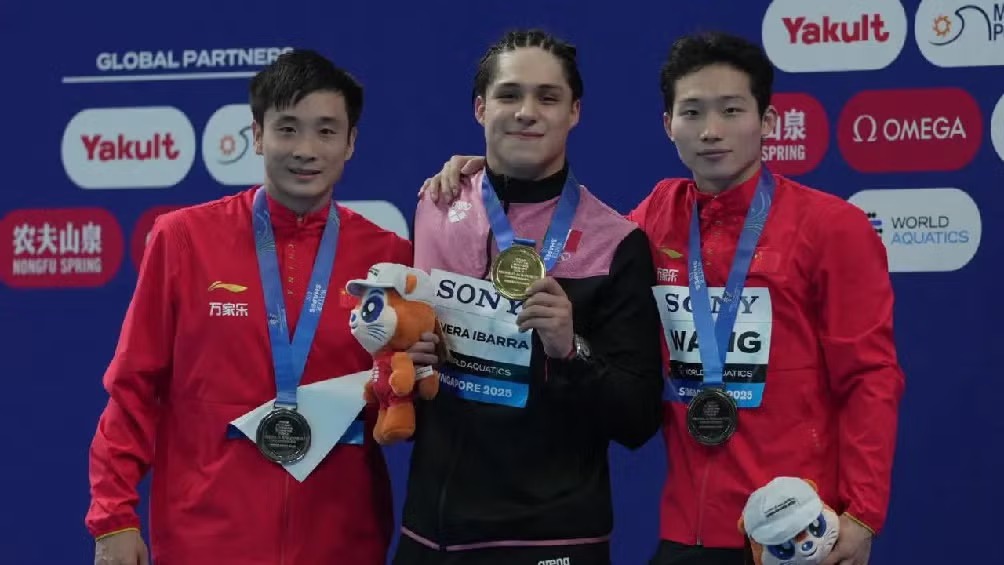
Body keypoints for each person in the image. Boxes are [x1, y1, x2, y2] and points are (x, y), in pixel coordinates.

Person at [418, 31, 905, 565]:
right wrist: (488, 176)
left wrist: (862, 514)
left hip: (797, 527)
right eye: (692, 112)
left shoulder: (833, 227)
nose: (711, 130)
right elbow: (569, 226)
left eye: (731, 110)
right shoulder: (654, 219)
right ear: (668, 124)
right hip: (687, 530)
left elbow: (870, 376)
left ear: (767, 121)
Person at [86, 49, 412, 565]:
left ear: (350, 142)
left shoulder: (389, 258)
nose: (305, 150)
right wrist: (113, 517)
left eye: (326, 131)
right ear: (257, 135)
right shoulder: (183, 240)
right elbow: (133, 388)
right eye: (287, 129)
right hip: (205, 542)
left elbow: (411, 391)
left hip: (341, 541)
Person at [396, 28, 665, 565]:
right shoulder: (435, 206)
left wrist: (571, 350)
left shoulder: (616, 243)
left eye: (547, 97)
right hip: (434, 535)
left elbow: (638, 419)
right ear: (480, 108)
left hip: (554, 538)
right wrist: (411, 356)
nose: (526, 112)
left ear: (574, 112)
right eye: (509, 95)